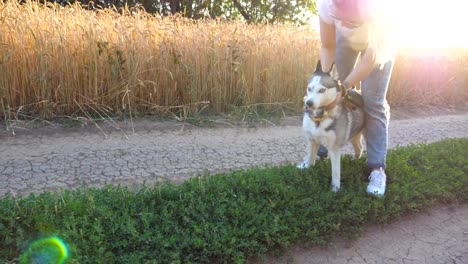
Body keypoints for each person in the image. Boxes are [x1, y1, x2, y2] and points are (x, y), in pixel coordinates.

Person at [316, 0, 396, 196]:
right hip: (345, 42)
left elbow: (371, 58)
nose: (342, 24)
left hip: (377, 43)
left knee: (373, 101)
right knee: (331, 94)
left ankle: (377, 169)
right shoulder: (326, 5)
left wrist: (344, 87)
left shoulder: (378, 8)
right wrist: (326, 79)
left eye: (349, 21)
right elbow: (327, 46)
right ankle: (321, 149)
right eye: (338, 18)